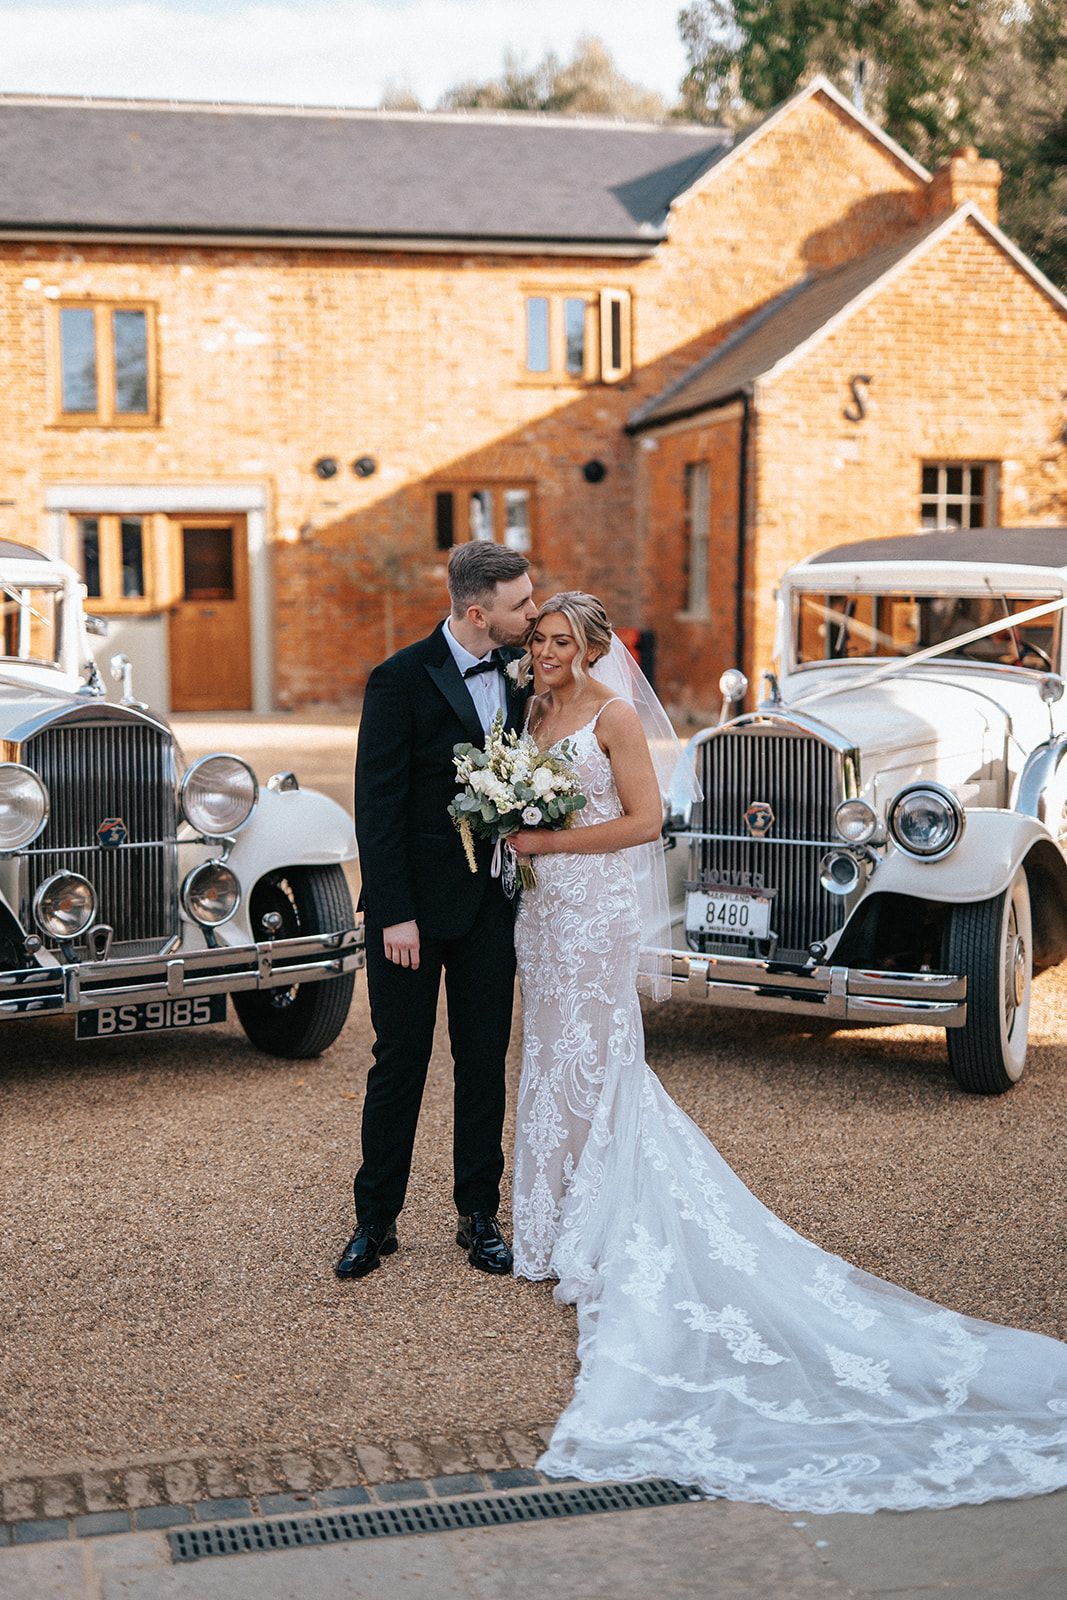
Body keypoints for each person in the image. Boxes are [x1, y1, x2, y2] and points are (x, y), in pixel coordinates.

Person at [506, 590, 1067, 1515]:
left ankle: (592, 1217)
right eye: (538, 639)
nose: (546, 652)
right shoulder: (532, 710)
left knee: (598, 1054)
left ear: (597, 649)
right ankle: (548, 1211)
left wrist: (544, 838)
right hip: (548, 910)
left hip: (591, 902)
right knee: (549, 1055)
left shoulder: (609, 716)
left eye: (561, 640)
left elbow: (645, 823)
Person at [336, 543, 536, 1281]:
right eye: (520, 603)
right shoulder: (397, 680)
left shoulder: (525, 677)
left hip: (490, 904)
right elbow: (376, 805)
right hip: (409, 916)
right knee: (400, 1063)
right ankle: (375, 1220)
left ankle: (477, 1214)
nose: (533, 612)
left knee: (482, 1062)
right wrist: (392, 912)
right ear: (477, 612)